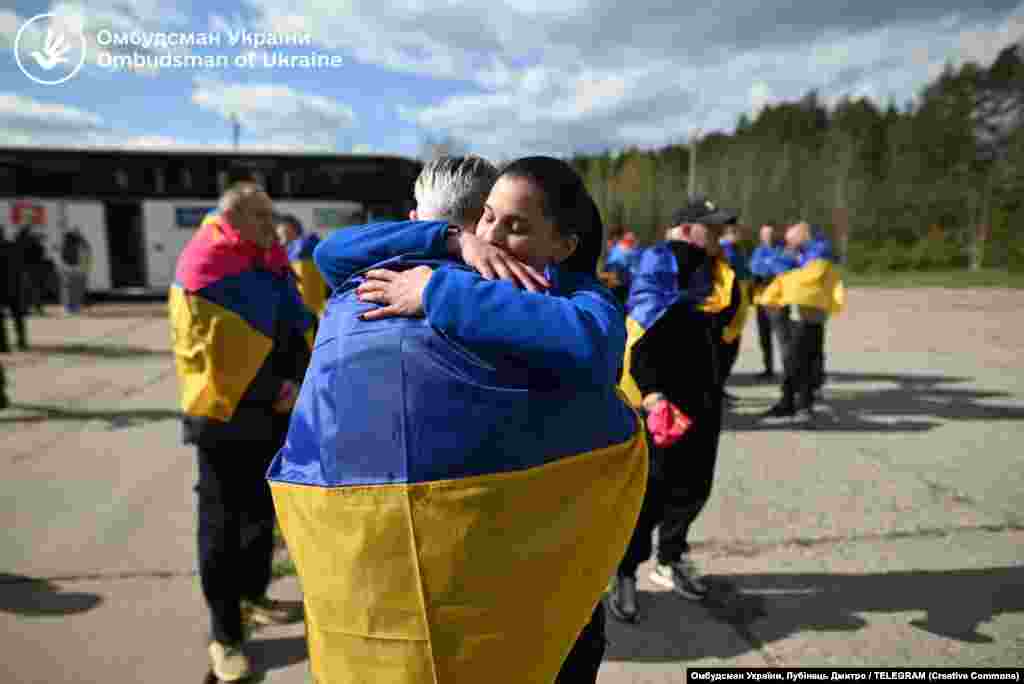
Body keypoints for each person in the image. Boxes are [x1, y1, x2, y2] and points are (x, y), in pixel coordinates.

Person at [268, 156, 647, 684]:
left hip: (481, 536)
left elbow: (595, 343)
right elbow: (330, 252)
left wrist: (434, 291)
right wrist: (451, 241)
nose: (491, 234)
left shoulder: (560, 295)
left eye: (515, 225)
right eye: (487, 217)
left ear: (563, 245)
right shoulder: (442, 259)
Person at [168, 182, 315, 682]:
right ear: (233, 219)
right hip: (224, 419)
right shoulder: (205, 265)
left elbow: (293, 324)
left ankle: (253, 596)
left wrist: (295, 380)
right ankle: (225, 635)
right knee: (222, 526)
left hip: (272, 411)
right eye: (261, 216)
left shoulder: (267, 259)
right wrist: (275, 387)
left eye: (272, 215)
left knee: (260, 512)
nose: (272, 226)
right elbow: (213, 355)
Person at [608, 196, 739, 622]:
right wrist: (652, 395)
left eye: (720, 227)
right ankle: (624, 571)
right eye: (710, 227)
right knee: (651, 491)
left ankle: (670, 557)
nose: (719, 234)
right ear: (685, 229)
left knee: (694, 486)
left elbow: (724, 331)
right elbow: (645, 334)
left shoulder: (716, 271)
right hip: (664, 401)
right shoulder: (666, 264)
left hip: (704, 396)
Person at [759, 221, 845, 420]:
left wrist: (783, 261)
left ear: (803, 235)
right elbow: (765, 267)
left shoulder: (818, 251)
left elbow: (798, 275)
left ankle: (801, 404)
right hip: (804, 313)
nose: (788, 243)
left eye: (791, 238)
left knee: (800, 359)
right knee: (797, 359)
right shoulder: (806, 252)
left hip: (809, 315)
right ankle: (791, 402)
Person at [749, 223, 798, 381]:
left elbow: (785, 270)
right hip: (761, 300)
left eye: (770, 233)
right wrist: (770, 267)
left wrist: (768, 267)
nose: (767, 237)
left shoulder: (785, 251)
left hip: (778, 302)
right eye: (764, 234)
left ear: (776, 234)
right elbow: (754, 269)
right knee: (764, 337)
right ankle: (768, 369)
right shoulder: (758, 251)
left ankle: (789, 371)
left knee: (783, 338)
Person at [717, 223, 754, 403]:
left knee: (731, 350)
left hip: (739, 307)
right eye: (733, 232)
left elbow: (747, 273)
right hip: (727, 308)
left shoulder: (739, 251)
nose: (737, 235)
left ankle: (720, 388)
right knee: (723, 351)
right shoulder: (723, 250)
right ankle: (716, 391)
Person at [276, 214, 329, 319]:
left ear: (291, 229)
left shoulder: (305, 245)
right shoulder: (289, 249)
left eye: (283, 231)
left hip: (308, 305)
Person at [0, 225, 28, 352]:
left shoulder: (12, 246)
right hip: (14, 287)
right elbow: (20, 266)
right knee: (18, 316)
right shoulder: (13, 247)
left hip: (3, 288)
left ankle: (3, 344)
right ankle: (22, 341)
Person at [60, 229, 92, 315]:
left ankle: (70, 308)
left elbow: (63, 259)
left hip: (73, 270)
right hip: (78, 270)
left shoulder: (70, 245)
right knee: (75, 291)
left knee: (71, 291)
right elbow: (87, 257)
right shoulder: (81, 245)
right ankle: (73, 308)